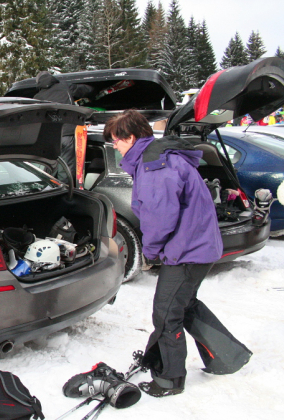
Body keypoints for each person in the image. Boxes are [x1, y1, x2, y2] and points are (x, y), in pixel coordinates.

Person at [103, 109, 252, 398]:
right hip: (197, 246)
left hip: (187, 251)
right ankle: (227, 355)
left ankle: (170, 379)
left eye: (116, 142)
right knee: (183, 304)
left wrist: (151, 251)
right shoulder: (161, 158)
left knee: (167, 313)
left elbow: (160, 216)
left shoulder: (154, 165)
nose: (116, 147)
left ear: (130, 138)